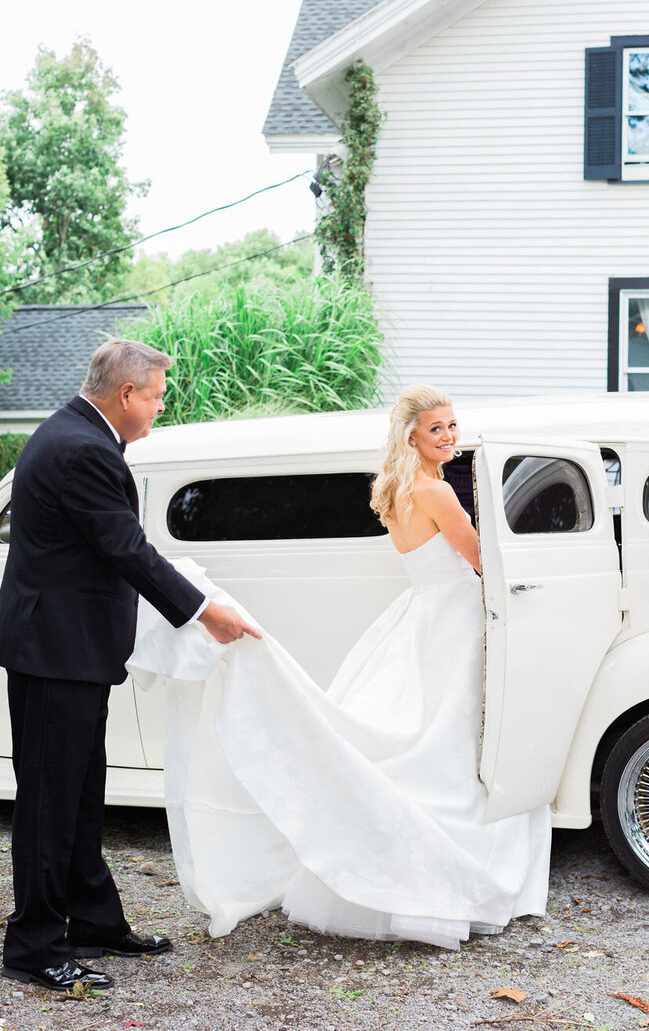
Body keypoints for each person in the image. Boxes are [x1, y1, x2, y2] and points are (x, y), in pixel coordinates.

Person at [129, 384, 551, 950]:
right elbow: (481, 560)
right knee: (456, 742)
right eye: (437, 429)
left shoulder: (396, 488)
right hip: (455, 619)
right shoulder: (437, 492)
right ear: (412, 436)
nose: (449, 436)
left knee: (426, 732)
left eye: (452, 425)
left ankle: (373, 861)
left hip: (420, 614)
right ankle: (451, 872)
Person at [0, 340, 260, 992]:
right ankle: (32, 946)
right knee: (51, 804)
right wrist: (201, 611)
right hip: (56, 652)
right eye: (159, 396)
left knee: (80, 796)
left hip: (67, 650)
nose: (161, 408)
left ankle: (92, 921)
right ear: (127, 394)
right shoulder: (81, 447)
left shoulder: (75, 433)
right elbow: (123, 546)